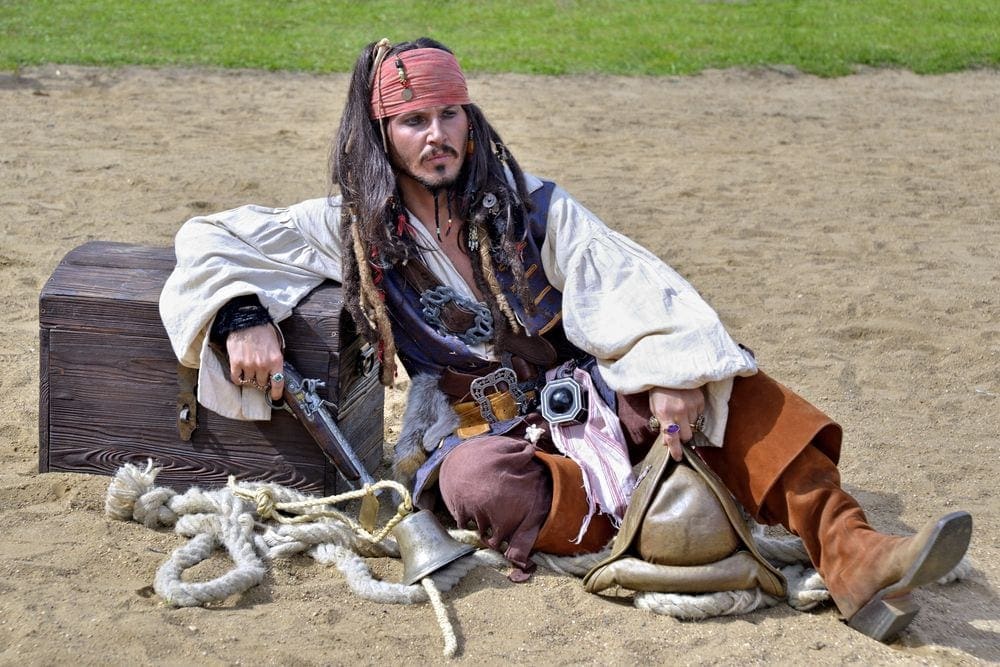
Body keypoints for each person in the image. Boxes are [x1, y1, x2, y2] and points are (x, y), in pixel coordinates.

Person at [159, 37, 971, 641]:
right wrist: (238, 314)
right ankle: (636, 536)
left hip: (591, 393)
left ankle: (852, 549)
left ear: (468, 119)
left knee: (734, 388)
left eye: (448, 114)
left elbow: (632, 286)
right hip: (478, 426)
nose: (435, 134)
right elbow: (212, 240)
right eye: (413, 121)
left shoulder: (534, 206)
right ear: (382, 135)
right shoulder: (351, 225)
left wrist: (671, 370)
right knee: (478, 482)